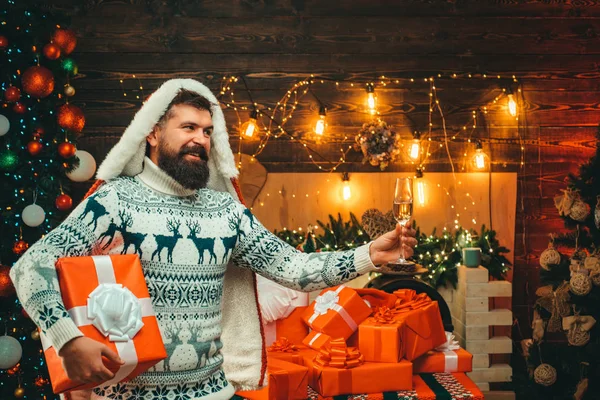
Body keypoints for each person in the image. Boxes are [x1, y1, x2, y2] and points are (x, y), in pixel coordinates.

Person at [10, 79, 418, 400]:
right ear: (152, 134)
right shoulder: (115, 200)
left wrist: (369, 255)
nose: (200, 139)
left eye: (207, 131)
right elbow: (31, 265)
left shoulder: (226, 212)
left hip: (214, 393)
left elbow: (295, 269)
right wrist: (68, 339)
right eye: (187, 127)